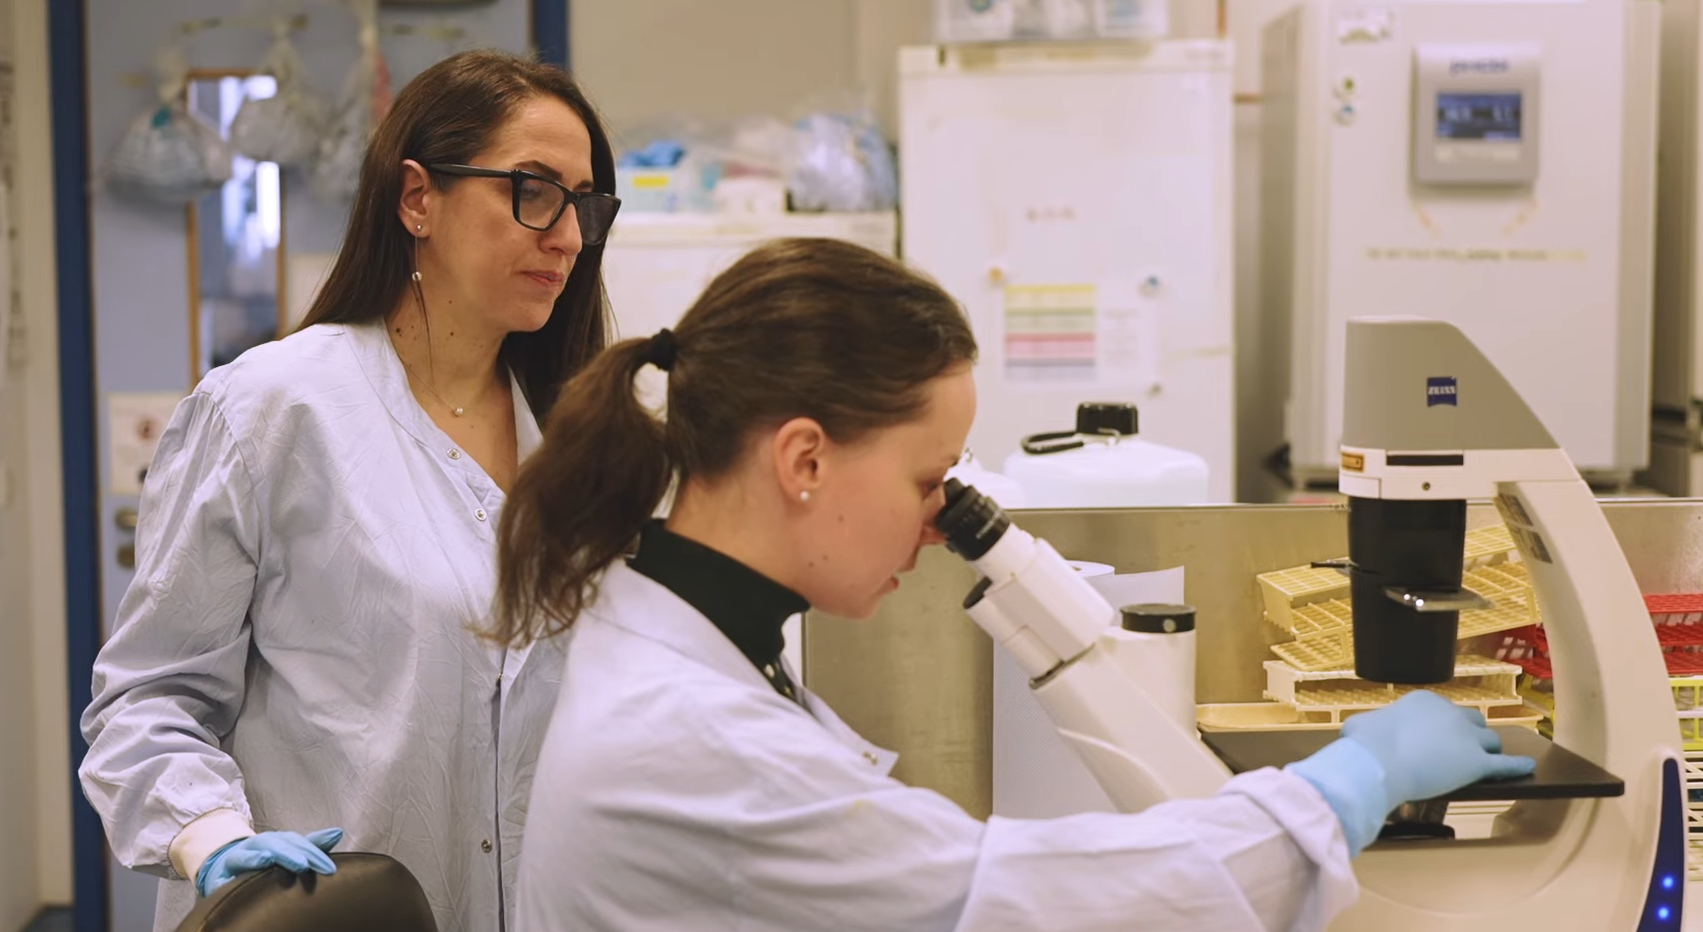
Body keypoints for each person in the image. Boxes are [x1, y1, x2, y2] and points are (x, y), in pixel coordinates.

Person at [490, 237, 1536, 932]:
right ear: (803, 460)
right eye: (925, 475)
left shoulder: (680, 628)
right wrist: (1341, 785)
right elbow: (1024, 903)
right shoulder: (691, 736)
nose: (943, 513)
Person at [78, 49, 621, 932]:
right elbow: (148, 698)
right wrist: (209, 836)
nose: (564, 232)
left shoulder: (576, 439)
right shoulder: (271, 411)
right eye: (531, 190)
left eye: (584, 202)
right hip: (323, 915)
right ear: (418, 200)